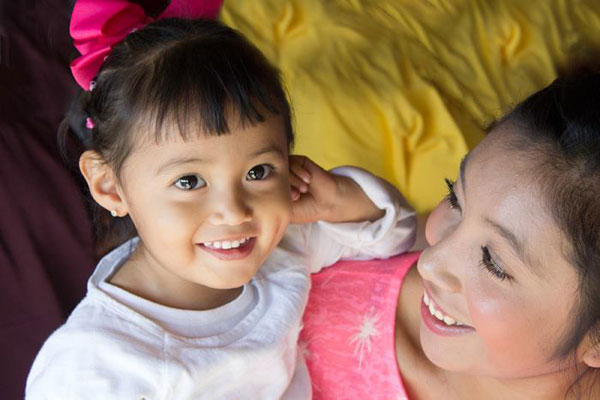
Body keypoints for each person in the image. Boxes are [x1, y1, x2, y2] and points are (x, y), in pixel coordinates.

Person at [24, 1, 417, 399]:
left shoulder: (280, 251)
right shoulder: (97, 364)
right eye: (190, 181)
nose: (234, 211)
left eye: (258, 172)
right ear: (110, 186)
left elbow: (394, 236)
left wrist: (339, 199)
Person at [300, 64, 600, 399]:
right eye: (455, 197)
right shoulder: (399, 236)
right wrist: (356, 211)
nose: (428, 262)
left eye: (493, 263)